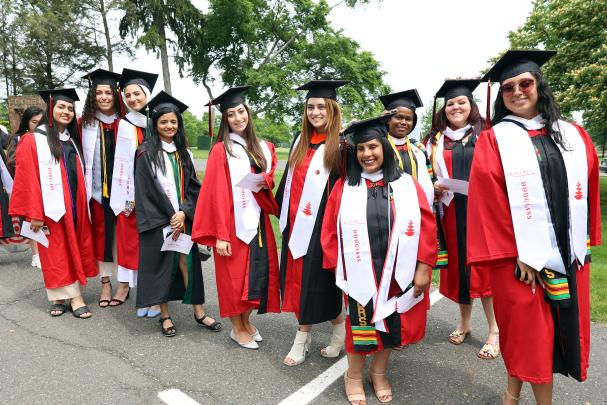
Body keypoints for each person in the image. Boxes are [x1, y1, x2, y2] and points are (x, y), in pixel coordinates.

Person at [467, 50, 601, 405]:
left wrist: (583, 240)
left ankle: (511, 395)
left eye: (524, 83)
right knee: (527, 332)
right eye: (508, 87)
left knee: (555, 331)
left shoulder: (572, 134)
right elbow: (488, 204)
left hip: (568, 252)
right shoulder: (494, 139)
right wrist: (520, 255)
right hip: (517, 260)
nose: (516, 91)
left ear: (539, 85)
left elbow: (587, 191)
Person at [321, 114, 437, 404]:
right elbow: (328, 231)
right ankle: (353, 376)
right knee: (359, 326)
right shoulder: (344, 187)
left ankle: (378, 372)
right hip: (360, 271)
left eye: (372, 147)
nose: (366, 154)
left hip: (399, 270)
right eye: (360, 149)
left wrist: (424, 266)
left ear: (385, 147)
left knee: (390, 322)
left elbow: (426, 226)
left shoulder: (407, 185)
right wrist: (340, 269)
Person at [191, 86, 279, 349]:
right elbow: (214, 193)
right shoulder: (222, 149)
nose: (238, 117)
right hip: (232, 223)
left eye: (241, 111)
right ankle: (237, 328)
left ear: (248, 112)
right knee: (234, 278)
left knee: (258, 275)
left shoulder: (264, 146)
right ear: (225, 119)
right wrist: (220, 234)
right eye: (231, 114)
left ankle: (247, 321)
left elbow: (269, 178)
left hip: (258, 223)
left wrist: (266, 180)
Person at [275, 80, 353, 365]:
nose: (315, 112)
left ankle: (301, 340)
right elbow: (288, 183)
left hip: (322, 228)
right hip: (296, 225)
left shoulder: (343, 145)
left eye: (322, 106)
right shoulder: (300, 139)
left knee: (314, 284)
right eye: (310, 107)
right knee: (309, 283)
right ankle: (339, 333)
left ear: (332, 109)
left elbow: (349, 190)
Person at [422, 79, 499, 359]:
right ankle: (465, 324)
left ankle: (494, 331)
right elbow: (424, 173)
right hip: (451, 212)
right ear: (444, 109)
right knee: (460, 268)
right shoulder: (433, 141)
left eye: (461, 102)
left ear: (471, 105)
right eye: (450, 103)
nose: (455, 107)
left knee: (483, 269)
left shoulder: (486, 134)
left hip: (482, 213)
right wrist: (433, 184)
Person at [134, 91, 218, 337]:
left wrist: (184, 213)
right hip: (159, 222)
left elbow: (194, 187)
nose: (169, 126)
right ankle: (164, 315)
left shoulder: (184, 152)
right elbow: (146, 192)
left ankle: (199, 312)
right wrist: (171, 219)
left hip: (183, 220)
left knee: (188, 264)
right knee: (163, 267)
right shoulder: (145, 154)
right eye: (163, 122)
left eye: (173, 121)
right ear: (155, 124)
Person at [9, 88, 97, 318]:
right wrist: (34, 213)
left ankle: (59, 296)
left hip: (75, 204)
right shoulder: (33, 139)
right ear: (51, 109)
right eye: (61, 107)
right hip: (49, 208)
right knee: (56, 251)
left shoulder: (71, 139)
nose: (66, 111)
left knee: (72, 247)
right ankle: (75, 297)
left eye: (70, 108)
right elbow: (27, 179)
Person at [78, 68, 130, 308]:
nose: (104, 97)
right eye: (98, 92)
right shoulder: (83, 124)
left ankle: (125, 283)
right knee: (101, 235)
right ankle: (106, 283)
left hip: (125, 190)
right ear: (92, 96)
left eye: (108, 92)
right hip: (97, 193)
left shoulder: (129, 124)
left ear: (116, 94)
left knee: (125, 236)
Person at [379, 89, 434, 207]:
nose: (404, 122)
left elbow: (428, 180)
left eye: (408, 119)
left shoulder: (419, 148)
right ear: (388, 119)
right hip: (388, 207)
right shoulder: (379, 146)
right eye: (398, 117)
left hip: (416, 206)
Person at [7, 106, 44, 268]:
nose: (37, 125)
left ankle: (46, 252)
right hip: (27, 186)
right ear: (27, 123)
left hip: (46, 185)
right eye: (34, 122)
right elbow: (14, 164)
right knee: (30, 220)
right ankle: (36, 255)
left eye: (41, 122)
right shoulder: (19, 139)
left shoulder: (47, 138)